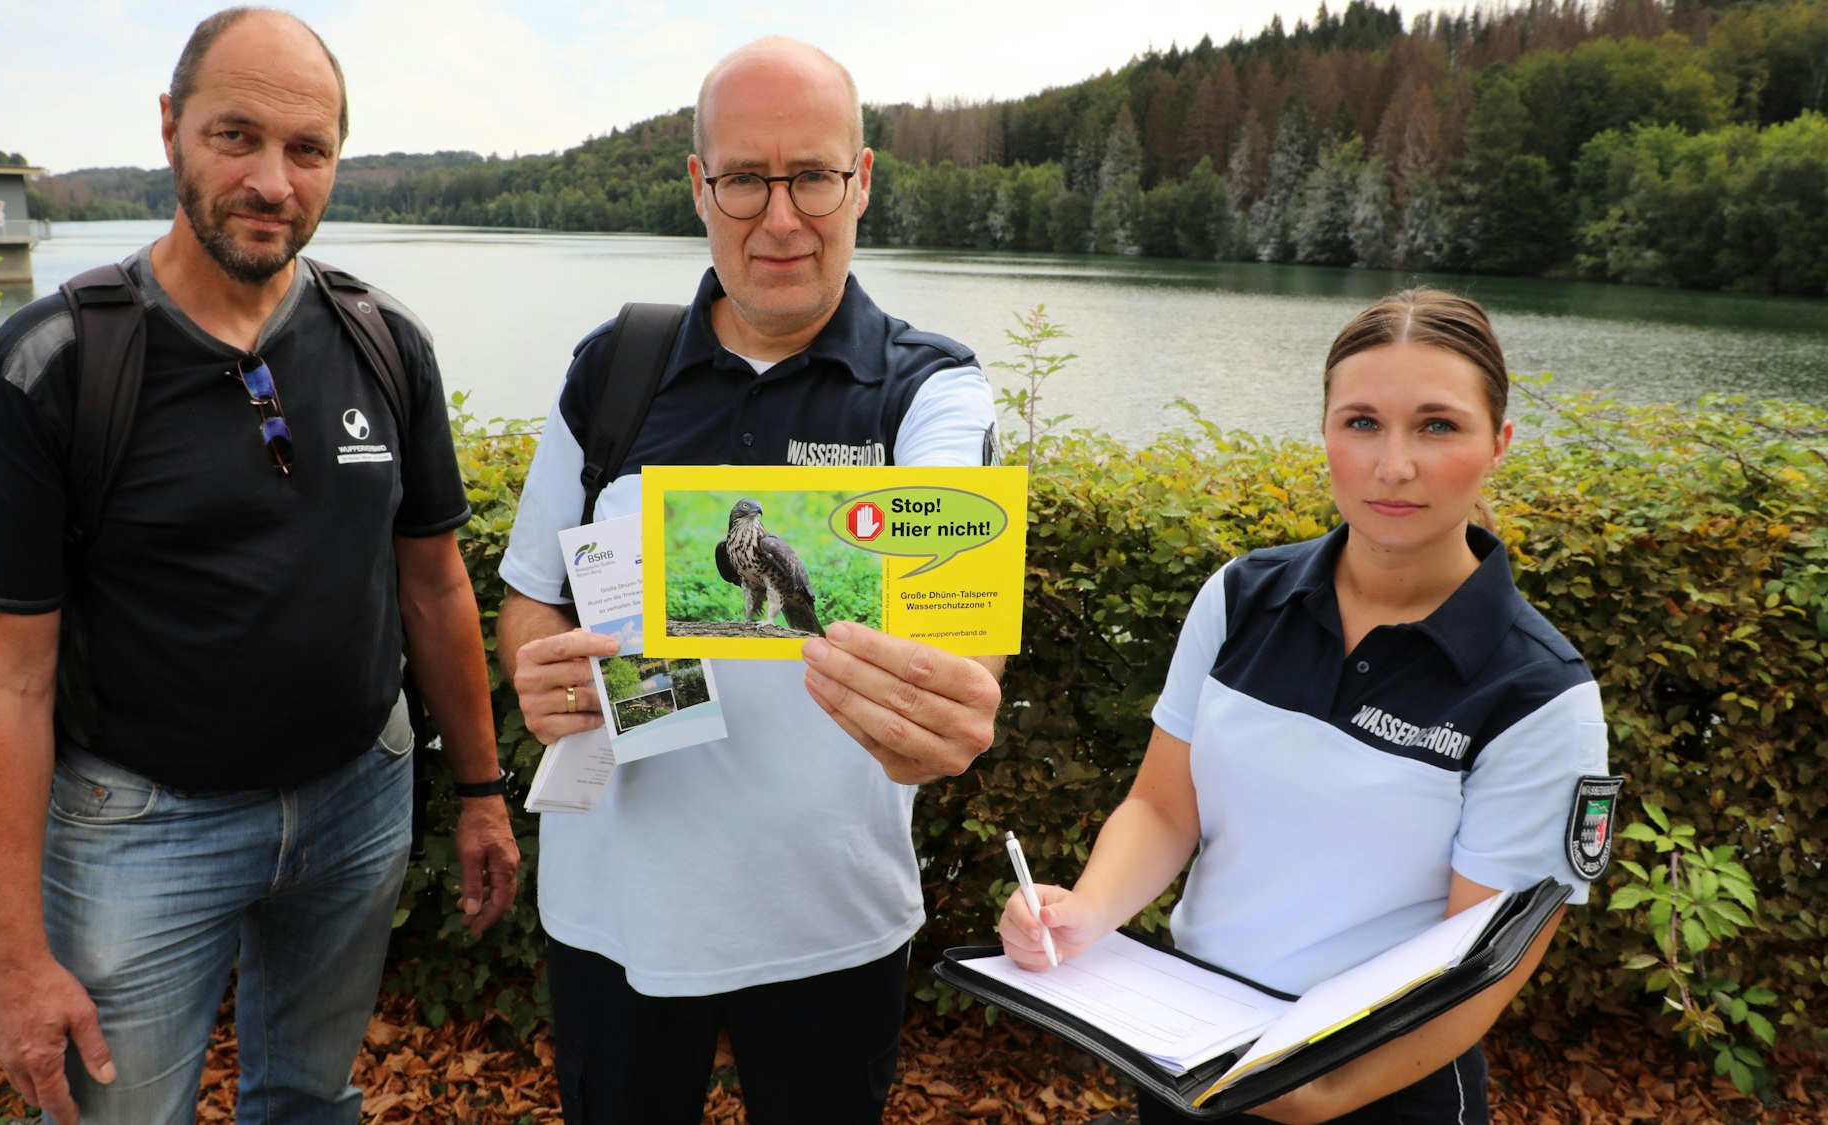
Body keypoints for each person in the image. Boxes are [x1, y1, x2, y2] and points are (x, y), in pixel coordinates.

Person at [0, 9, 519, 1124]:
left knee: (309, 1098)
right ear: (169, 130)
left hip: (359, 798)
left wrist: (484, 793)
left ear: (337, 160)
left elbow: (434, 584)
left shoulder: (382, 340)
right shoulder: (54, 366)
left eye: (307, 150)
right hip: (142, 827)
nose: (271, 180)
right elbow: (2, 683)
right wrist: (13, 963)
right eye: (234, 137)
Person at [495, 36, 1005, 1125]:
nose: (779, 219)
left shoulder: (931, 392)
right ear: (698, 187)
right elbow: (532, 591)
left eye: (811, 176)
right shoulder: (612, 368)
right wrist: (535, 678)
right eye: (743, 179)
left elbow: (961, 627)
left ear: (860, 179)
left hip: (831, 919)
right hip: (613, 914)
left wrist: (949, 701)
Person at [998, 290, 1616, 1125]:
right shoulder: (1242, 598)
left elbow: (1484, 961)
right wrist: (1084, 911)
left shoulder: (1538, 693)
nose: (1393, 464)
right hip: (1188, 1051)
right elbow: (1162, 806)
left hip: (1378, 1089)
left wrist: (1325, 1090)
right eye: (1361, 422)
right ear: (1325, 430)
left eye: (1438, 425)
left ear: (1498, 444)